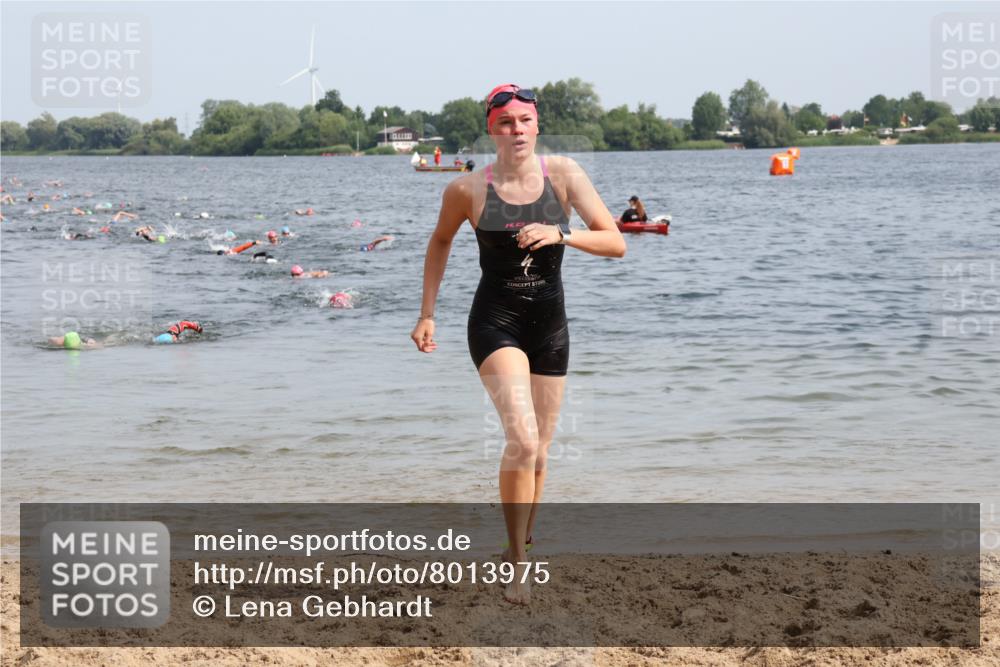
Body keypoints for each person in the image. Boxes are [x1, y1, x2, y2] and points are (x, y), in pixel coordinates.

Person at [409, 83, 625, 605]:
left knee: (542, 451)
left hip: (550, 326)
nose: (516, 130)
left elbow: (615, 242)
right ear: (492, 129)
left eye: (524, 120)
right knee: (523, 442)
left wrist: (562, 235)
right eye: (505, 122)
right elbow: (439, 242)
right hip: (495, 323)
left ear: (537, 126)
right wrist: (427, 314)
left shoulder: (566, 175)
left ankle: (522, 540)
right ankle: (518, 562)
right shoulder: (466, 190)